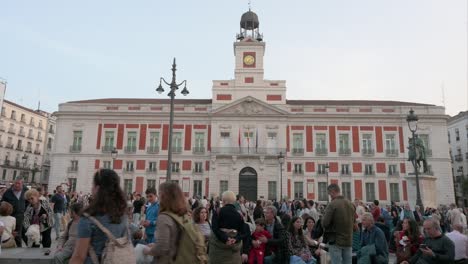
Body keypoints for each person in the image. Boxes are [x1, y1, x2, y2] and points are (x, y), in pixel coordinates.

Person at [70, 169, 129, 264]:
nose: (91, 189)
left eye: (93, 185)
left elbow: (79, 257)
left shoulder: (88, 218)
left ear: (98, 188)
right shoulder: (122, 215)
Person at [143, 182, 194, 263]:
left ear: (166, 197)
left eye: (160, 194)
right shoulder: (184, 215)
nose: (159, 197)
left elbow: (162, 247)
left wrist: (148, 251)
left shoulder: (164, 217)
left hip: (168, 259)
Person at [321, 184, 355, 264]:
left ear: (332, 192)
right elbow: (354, 222)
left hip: (335, 240)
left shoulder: (332, 204)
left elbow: (325, 223)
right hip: (348, 240)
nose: (330, 196)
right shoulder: (350, 204)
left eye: (329, 194)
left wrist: (322, 218)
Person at [209, 190, 245, 264]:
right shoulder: (239, 215)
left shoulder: (218, 212)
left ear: (223, 200)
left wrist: (226, 239)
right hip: (234, 252)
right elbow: (243, 232)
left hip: (218, 252)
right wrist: (235, 239)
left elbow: (215, 229)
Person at [1, 178, 28, 247]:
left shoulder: (26, 191)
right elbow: (3, 203)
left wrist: (26, 211)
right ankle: (17, 247)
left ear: (22, 184)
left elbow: (28, 202)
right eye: (15, 183)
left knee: (22, 232)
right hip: (11, 216)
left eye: (19, 183)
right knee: (15, 233)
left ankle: (26, 246)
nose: (16, 185)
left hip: (22, 215)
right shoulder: (8, 192)